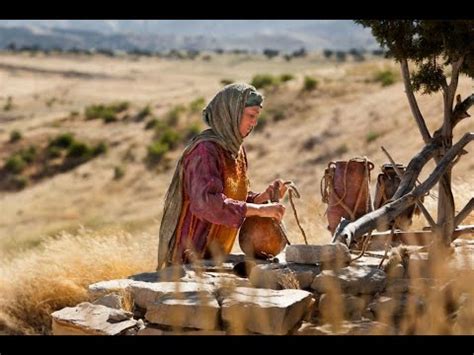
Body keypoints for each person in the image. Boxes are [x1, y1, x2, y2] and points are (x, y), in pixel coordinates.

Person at [157, 83, 288, 270]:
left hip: (214, 257)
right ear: (231, 113)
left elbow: (233, 197)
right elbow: (208, 204)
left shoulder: (236, 149)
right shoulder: (205, 151)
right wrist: (258, 210)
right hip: (188, 258)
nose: (254, 123)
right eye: (250, 115)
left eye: (257, 117)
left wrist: (262, 198)